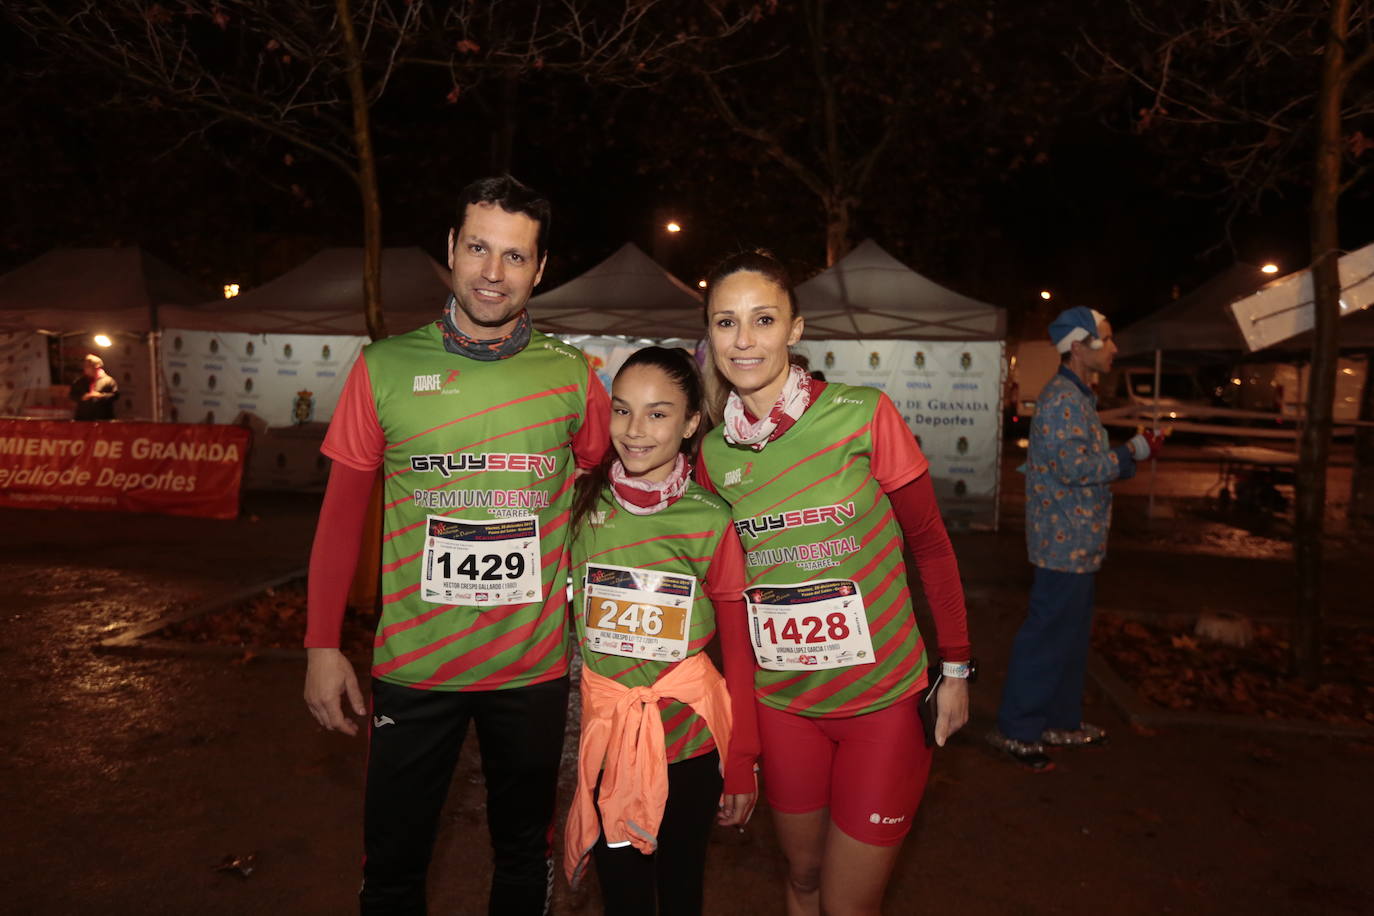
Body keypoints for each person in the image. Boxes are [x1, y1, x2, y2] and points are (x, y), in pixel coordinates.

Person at [302, 175, 610, 915]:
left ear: (540, 269)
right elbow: (341, 519)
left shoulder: (574, 378)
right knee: (394, 869)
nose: (491, 274)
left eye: (514, 257)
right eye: (478, 248)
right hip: (415, 666)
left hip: (530, 671)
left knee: (520, 860)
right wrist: (320, 645)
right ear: (451, 249)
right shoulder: (384, 367)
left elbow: (600, 483)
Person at [696, 250, 972, 916]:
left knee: (848, 906)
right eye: (725, 322)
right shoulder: (711, 456)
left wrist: (958, 670)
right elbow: (725, 595)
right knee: (802, 880)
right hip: (784, 706)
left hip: (881, 704)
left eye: (762, 319)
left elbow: (930, 546)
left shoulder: (861, 415)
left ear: (794, 329)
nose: (743, 339)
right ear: (709, 335)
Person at [563, 346, 758, 916]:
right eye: (621, 411)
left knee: (680, 893)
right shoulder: (579, 503)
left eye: (658, 413)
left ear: (692, 422)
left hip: (691, 745)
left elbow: (738, 650)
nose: (635, 430)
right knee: (622, 898)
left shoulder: (710, 518)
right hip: (611, 744)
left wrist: (742, 758)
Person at [987, 307, 1163, 771]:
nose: (1115, 348)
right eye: (1107, 339)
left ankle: (1059, 721)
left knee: (1068, 639)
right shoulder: (1064, 399)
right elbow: (1075, 467)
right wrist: (1133, 453)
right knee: (1047, 638)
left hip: (1077, 544)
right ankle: (1018, 729)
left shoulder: (1077, 396)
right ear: (1080, 348)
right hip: (1062, 546)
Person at [69, 354, 118, 420]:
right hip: (83, 419)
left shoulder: (108, 380)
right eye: (85, 366)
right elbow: (72, 395)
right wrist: (82, 397)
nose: (85, 368)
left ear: (97, 367)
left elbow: (115, 395)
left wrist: (101, 396)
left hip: (104, 418)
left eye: (88, 366)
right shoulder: (79, 381)